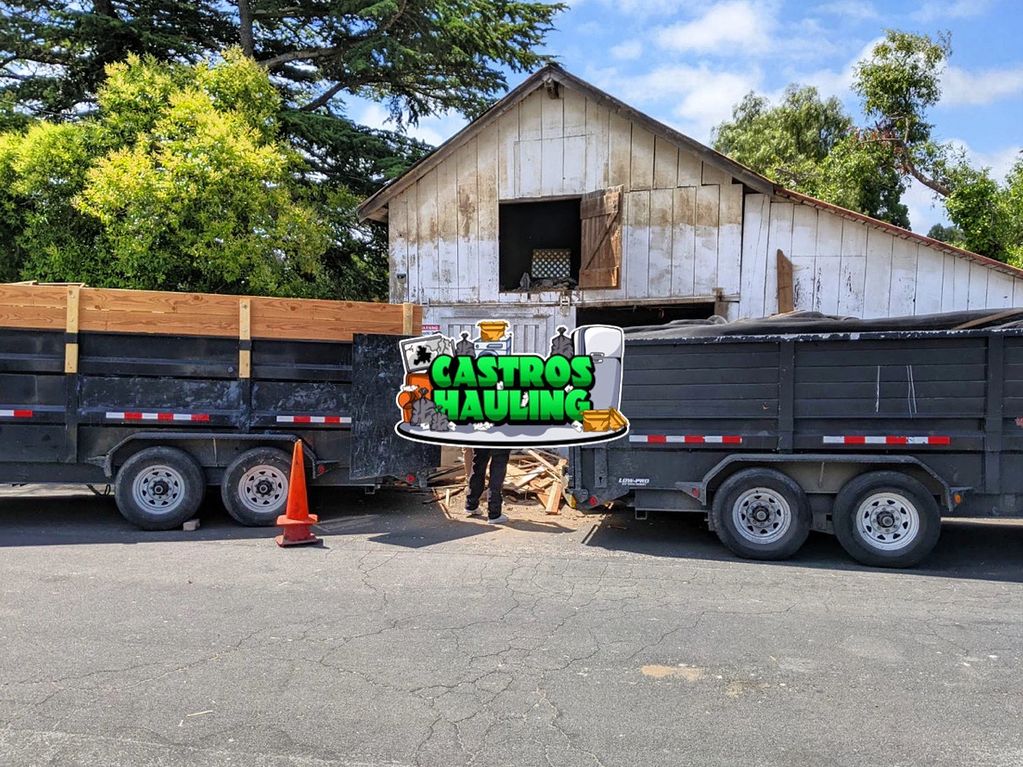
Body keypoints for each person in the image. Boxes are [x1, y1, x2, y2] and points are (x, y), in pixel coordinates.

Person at [465, 448, 511, 524]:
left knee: (478, 469)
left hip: (483, 440)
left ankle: (471, 505)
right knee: (497, 471)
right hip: (501, 442)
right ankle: (494, 514)